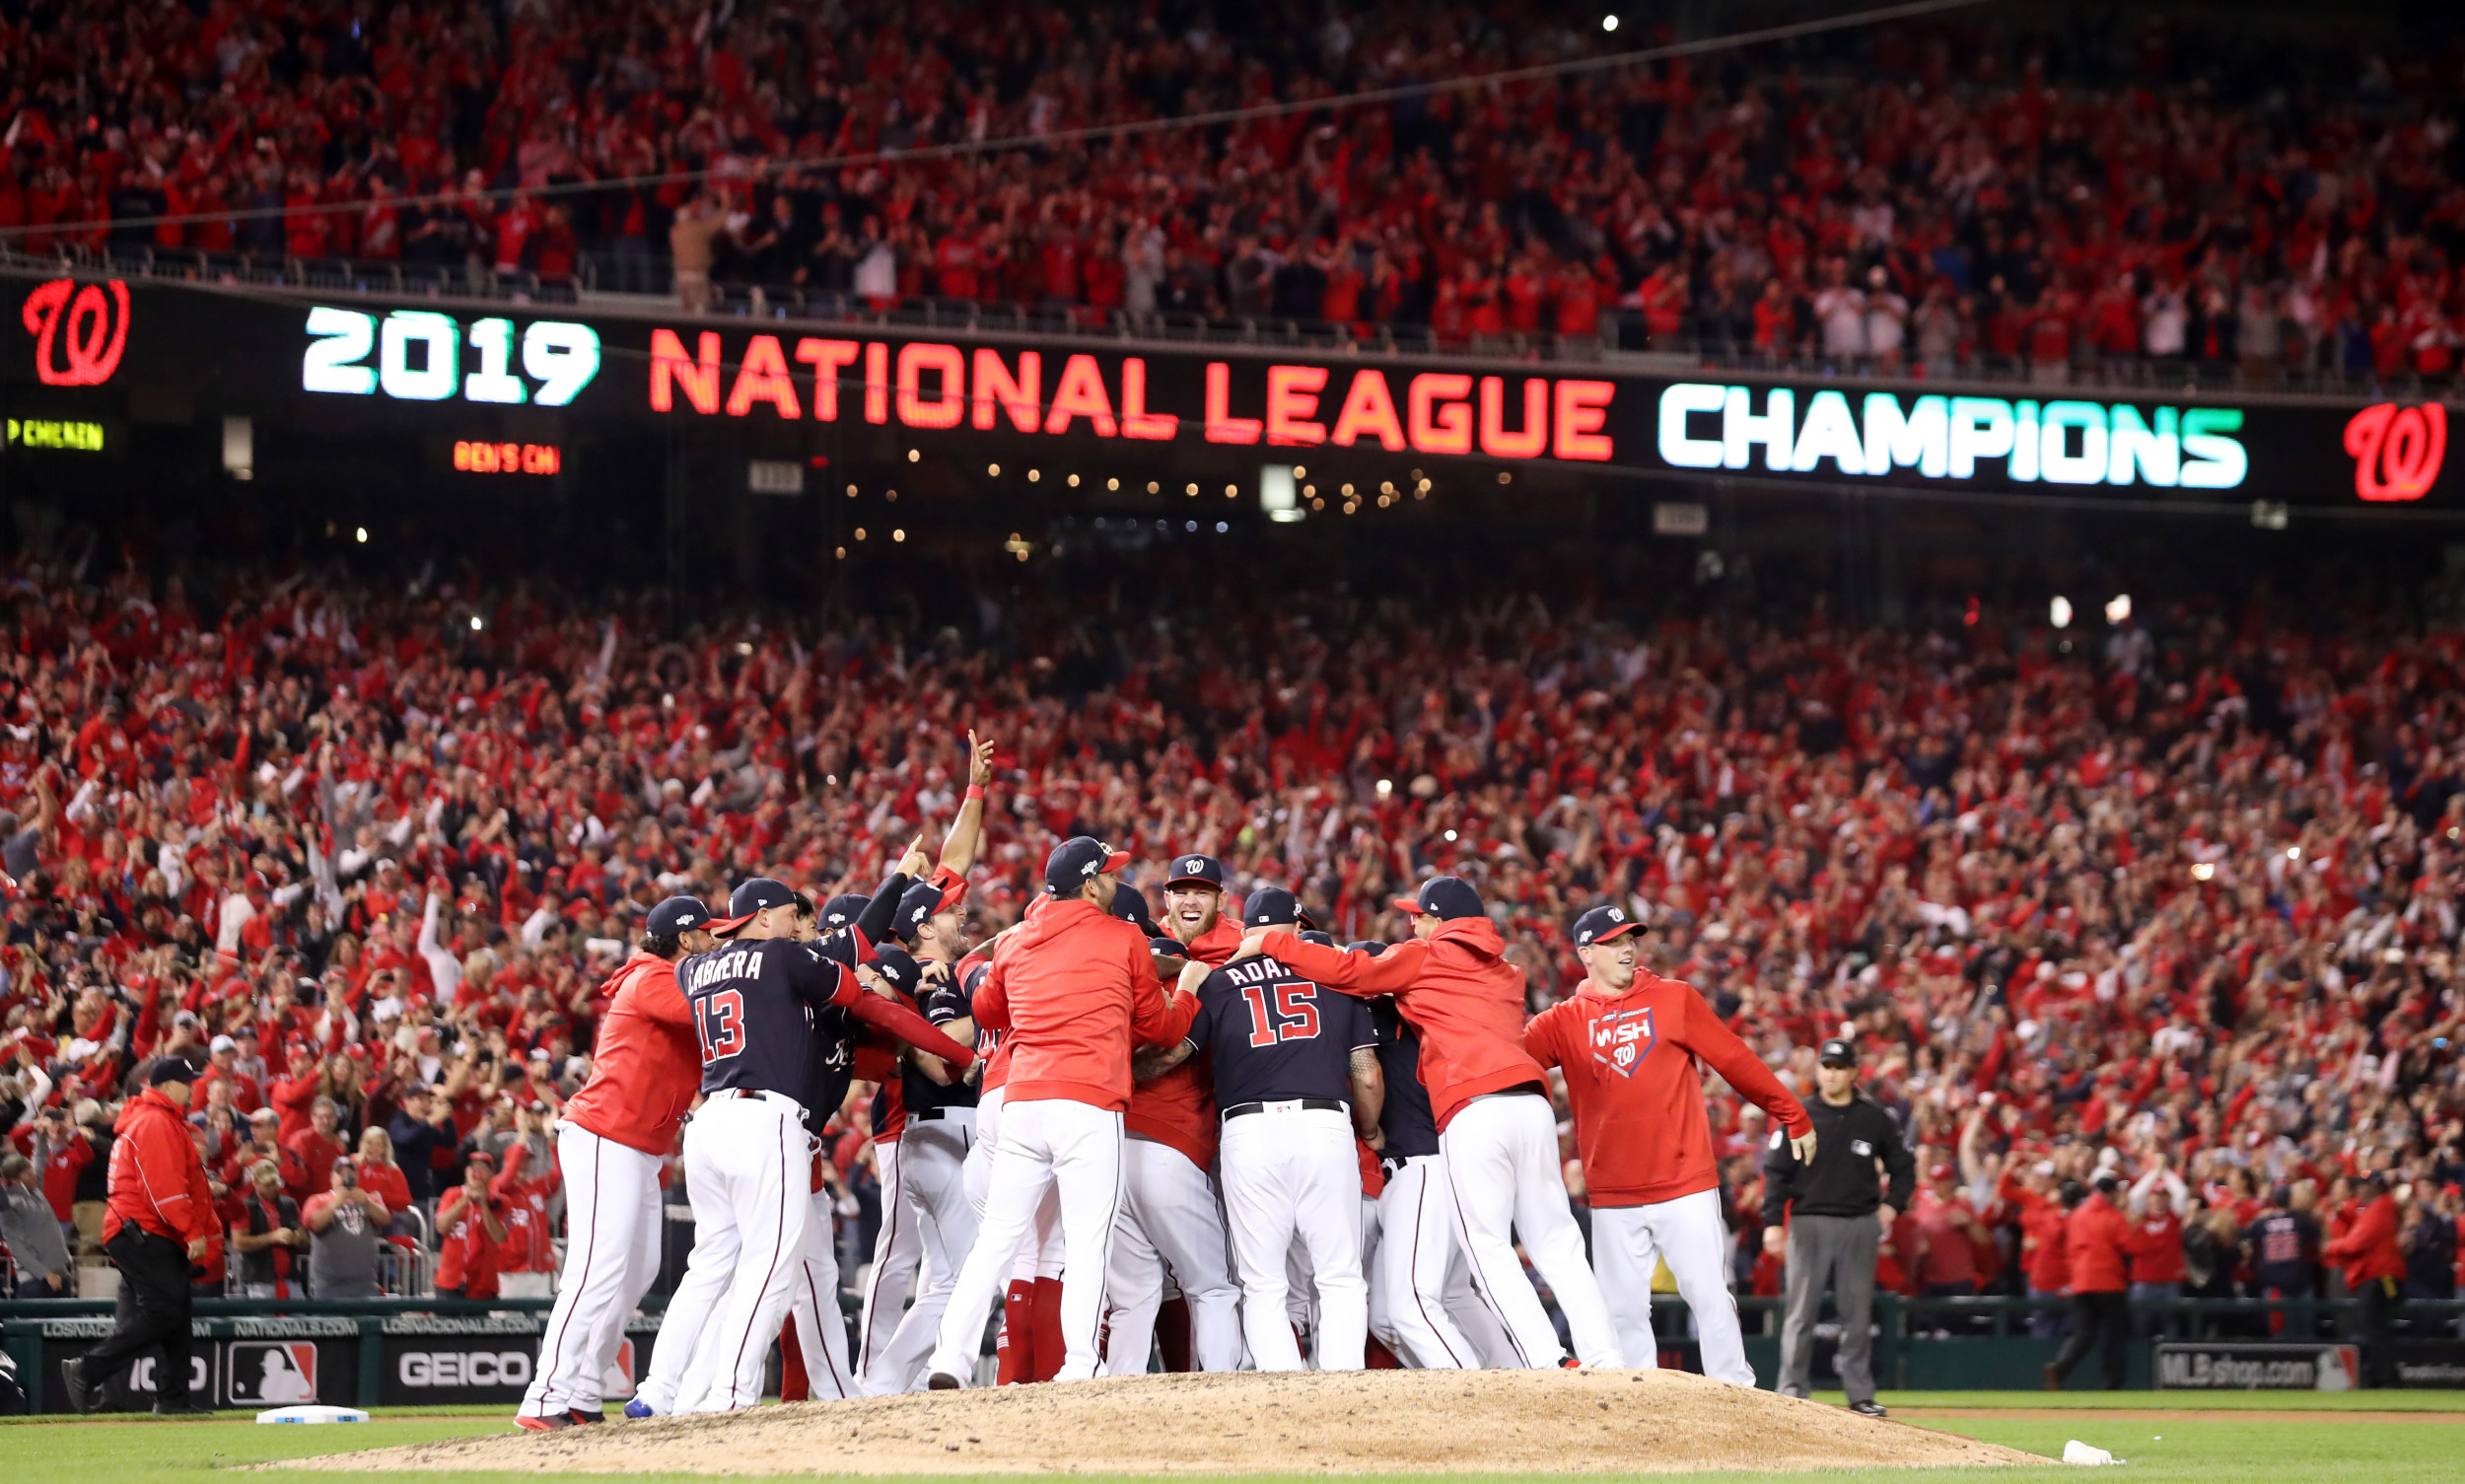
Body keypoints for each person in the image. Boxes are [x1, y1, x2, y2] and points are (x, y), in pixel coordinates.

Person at [1232, 875, 1619, 1370]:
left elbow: (1352, 971)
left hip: (1474, 1109)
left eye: (1421, 915)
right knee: (1557, 1238)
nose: (1414, 922)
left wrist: (1272, 940)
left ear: (1440, 920)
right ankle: (1605, 1359)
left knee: (1487, 1247)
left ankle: (1548, 1360)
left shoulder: (1425, 956)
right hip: (1532, 1103)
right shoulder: (1508, 972)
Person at [666, 877, 972, 1414]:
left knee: (727, 1269)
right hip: (768, 1125)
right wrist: (963, 1055)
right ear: (763, 918)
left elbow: (874, 1020)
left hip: (712, 1120)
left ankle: (663, 1393)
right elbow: (873, 996)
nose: (798, 925)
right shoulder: (789, 963)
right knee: (767, 1270)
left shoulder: (692, 967)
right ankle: (730, 1396)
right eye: (792, 915)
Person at [924, 838, 1198, 1388]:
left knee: (998, 1237)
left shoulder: (1018, 940)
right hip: (1089, 1102)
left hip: (1024, 1101)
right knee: (1087, 1236)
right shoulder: (1123, 937)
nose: (1118, 884)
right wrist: (1187, 993)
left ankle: (948, 1358)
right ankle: (1077, 1365)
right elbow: (1162, 1029)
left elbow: (986, 1009)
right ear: (1092, 884)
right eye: (1112, 876)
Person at [1523, 905, 1813, 1383]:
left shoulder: (1674, 999)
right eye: (1614, 943)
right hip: (1613, 1191)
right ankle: (1642, 1409)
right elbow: (1504, 1058)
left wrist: (1792, 1112)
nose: (1627, 949)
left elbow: (1735, 1059)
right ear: (1586, 953)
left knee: (1710, 1296)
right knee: (1622, 1312)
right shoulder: (1563, 1021)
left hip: (1684, 1182)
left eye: (1630, 940)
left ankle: (1735, 1396)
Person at [1138, 887, 1382, 1371]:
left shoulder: (1218, 983)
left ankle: (1282, 1393)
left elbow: (1175, 1053)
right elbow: (1368, 1072)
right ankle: (1345, 1390)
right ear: (1295, 929)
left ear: (1245, 931)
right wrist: (1371, 1130)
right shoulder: (1334, 976)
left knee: (1262, 1282)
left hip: (1248, 1132)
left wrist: (1125, 1074)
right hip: (1323, 1125)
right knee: (1339, 1276)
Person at [524, 895, 716, 1429]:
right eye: (707, 934)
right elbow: (697, 1009)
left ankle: (585, 1389)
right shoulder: (652, 976)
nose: (715, 941)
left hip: (638, 1148)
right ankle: (544, 1396)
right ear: (684, 940)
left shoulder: (665, 975)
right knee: (595, 1269)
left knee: (638, 1271)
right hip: (605, 1137)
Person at [1103, 850, 1245, 1377]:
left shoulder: (1238, 947)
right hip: (1173, 1139)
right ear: (1166, 899)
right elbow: (1171, 1048)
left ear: (1220, 900)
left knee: (1138, 1292)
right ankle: (1215, 1397)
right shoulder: (1136, 947)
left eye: (1201, 891)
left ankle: (1119, 1402)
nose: (1189, 899)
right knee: (1213, 1283)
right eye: (1181, 891)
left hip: (1139, 1139)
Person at [1762, 1037, 1915, 1416]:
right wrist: (1771, 1223)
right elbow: (1778, 1173)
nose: (1831, 1074)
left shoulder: (1873, 1117)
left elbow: (1904, 1167)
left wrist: (1892, 1207)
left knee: (1856, 1314)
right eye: (1826, 1067)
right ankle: (1792, 1392)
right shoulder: (1799, 1114)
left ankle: (1860, 1395)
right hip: (1808, 1221)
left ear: (1852, 1072)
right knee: (1800, 1312)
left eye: (1838, 1067)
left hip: (1859, 1223)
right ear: (1819, 1071)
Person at [61, 1057, 218, 1417]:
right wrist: (192, 1231)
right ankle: (87, 1369)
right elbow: (161, 1189)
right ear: (166, 1086)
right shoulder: (155, 1121)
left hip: (143, 1228)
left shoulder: (159, 1119)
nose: (193, 1087)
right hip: (144, 1229)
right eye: (186, 1081)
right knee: (164, 1311)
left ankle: (172, 1399)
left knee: (175, 1313)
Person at [2045, 1173, 2131, 1390]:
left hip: (2082, 1282)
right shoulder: (2114, 1216)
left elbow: (2069, 1250)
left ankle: (2060, 1367)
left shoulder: (2076, 1215)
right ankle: (2111, 1384)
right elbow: (2130, 1245)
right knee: (2112, 1335)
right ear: (2111, 1193)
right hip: (2109, 1282)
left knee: (2083, 1333)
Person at [2322, 1173, 2405, 1387]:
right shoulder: (2376, 1207)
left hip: (2379, 1277)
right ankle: (2382, 1376)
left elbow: (2355, 1243)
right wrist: (2340, 1213)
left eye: (2364, 1186)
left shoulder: (2380, 1208)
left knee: (2376, 1328)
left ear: (2376, 1187)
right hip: (2376, 1276)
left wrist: (2330, 1247)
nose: (2359, 1190)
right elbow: (2356, 1220)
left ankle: (2387, 1379)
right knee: (2374, 1328)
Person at [303, 1153, 389, 1299]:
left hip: (365, 1284)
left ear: (357, 1176)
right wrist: (334, 1204)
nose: (346, 1177)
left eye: (350, 1173)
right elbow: (312, 1223)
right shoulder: (318, 1199)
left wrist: (367, 1203)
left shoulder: (369, 1198)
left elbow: (385, 1219)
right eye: (341, 1173)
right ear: (332, 1177)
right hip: (329, 1286)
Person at [230, 1159, 308, 1300]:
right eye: (267, 1184)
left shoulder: (289, 1204)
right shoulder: (244, 1208)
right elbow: (239, 1243)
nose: (272, 1188)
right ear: (256, 1183)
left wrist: (295, 1238)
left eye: (274, 1183)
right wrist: (273, 1237)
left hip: (290, 1279)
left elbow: (304, 1239)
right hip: (259, 1282)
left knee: (300, 1320)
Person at [1, 1152, 73, 1297]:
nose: (33, 1175)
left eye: (31, 1171)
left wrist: (43, 1135)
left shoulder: (35, 1191)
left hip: (60, 1274)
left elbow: (40, 1160)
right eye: (28, 1174)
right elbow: (18, 1251)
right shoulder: (11, 1207)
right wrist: (45, 1274)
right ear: (15, 1180)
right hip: (35, 1281)